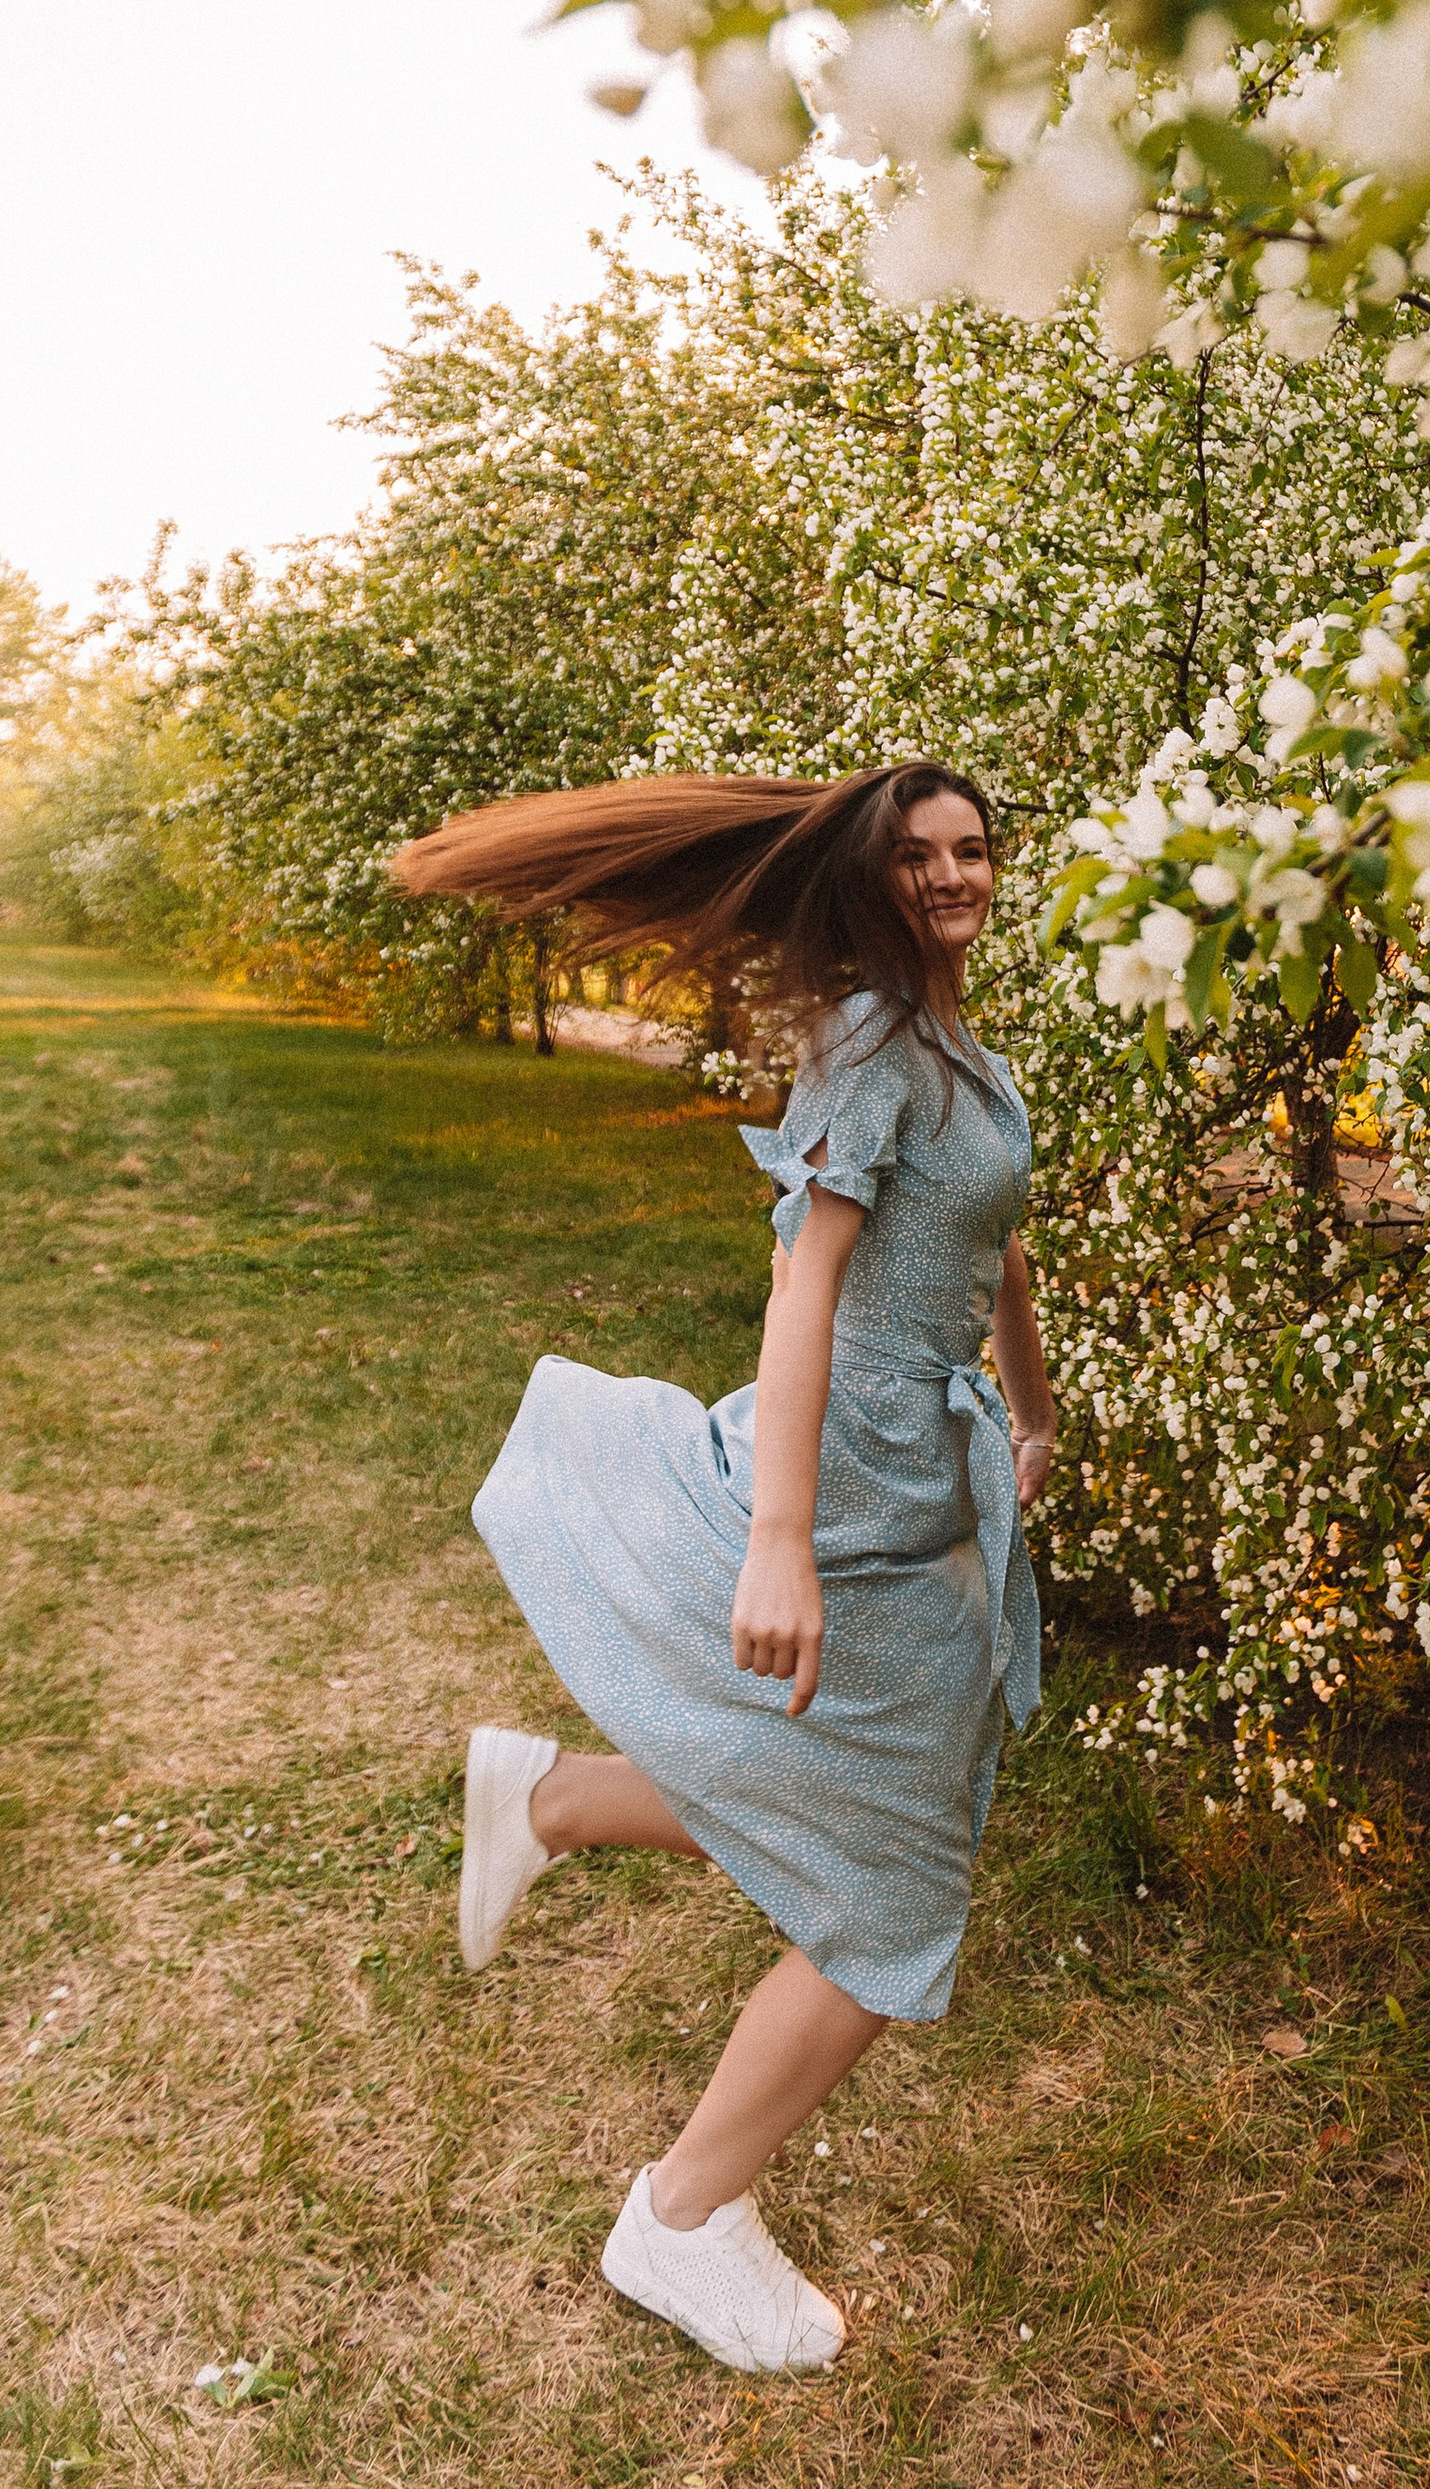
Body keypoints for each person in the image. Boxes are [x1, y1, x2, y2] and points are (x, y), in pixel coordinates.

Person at [389, 763, 1054, 2375]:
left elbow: (1000, 1236)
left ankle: (542, 1800)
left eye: (973, 849)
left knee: (833, 1788)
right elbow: (802, 1284)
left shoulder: (960, 1048)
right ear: (870, 882)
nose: (954, 875)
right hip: (843, 1487)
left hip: (925, 1490)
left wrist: (1030, 1401)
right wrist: (778, 1543)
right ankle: (683, 2219)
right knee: (890, 1891)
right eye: (919, 857)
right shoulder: (873, 1048)